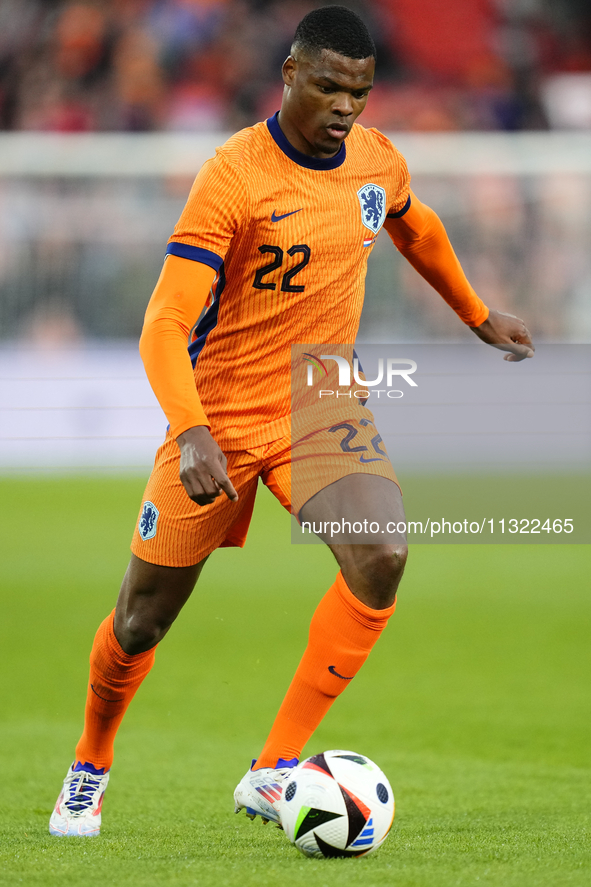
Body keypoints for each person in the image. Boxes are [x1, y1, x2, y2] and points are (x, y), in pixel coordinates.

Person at [49, 5, 534, 837]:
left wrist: (474, 311)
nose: (347, 107)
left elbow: (415, 225)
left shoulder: (376, 161)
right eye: (329, 87)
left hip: (319, 399)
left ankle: (272, 768)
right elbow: (164, 321)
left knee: (381, 553)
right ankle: (90, 762)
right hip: (222, 411)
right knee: (140, 619)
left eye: (361, 91)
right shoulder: (233, 175)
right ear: (288, 73)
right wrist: (191, 425)